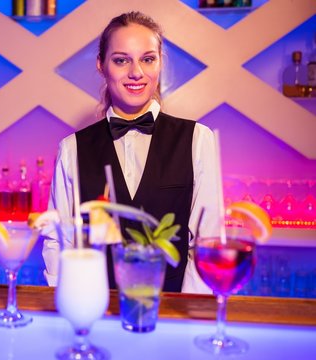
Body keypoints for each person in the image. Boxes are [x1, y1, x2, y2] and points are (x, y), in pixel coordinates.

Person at [42, 11, 221, 293]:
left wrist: (186, 316)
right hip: (96, 310)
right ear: (102, 65)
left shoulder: (199, 140)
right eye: (121, 60)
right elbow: (59, 242)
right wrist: (72, 305)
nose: (136, 72)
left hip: (171, 315)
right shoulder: (71, 149)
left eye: (147, 59)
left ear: (160, 63)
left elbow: (208, 240)